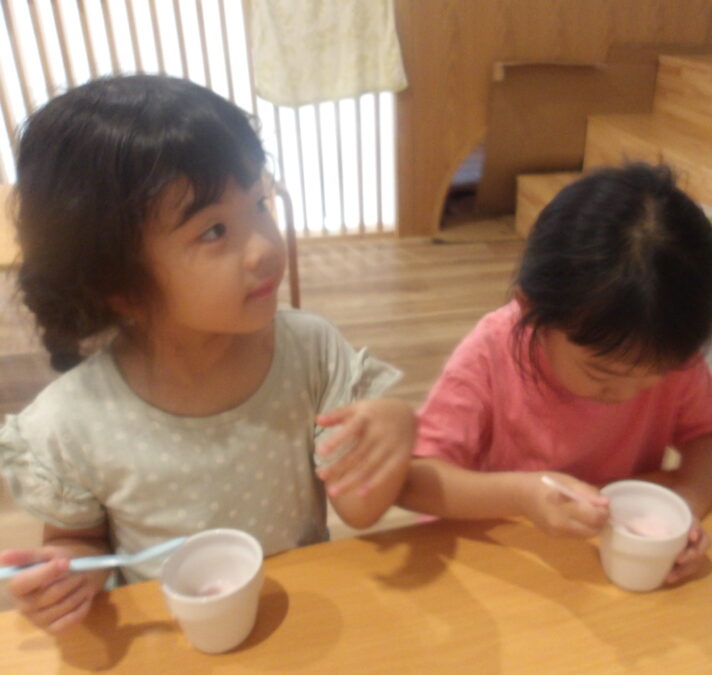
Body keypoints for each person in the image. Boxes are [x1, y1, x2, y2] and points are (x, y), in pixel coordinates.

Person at [0, 75, 416, 633]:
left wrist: (393, 427)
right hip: (175, 638)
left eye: (260, 203)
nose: (265, 247)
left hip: (302, 616)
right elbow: (81, 540)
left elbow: (359, 509)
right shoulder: (73, 420)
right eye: (215, 230)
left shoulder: (310, 351)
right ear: (118, 285)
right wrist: (68, 573)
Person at [399, 164, 712, 585]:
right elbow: (415, 481)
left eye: (654, 377)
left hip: (602, 568)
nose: (626, 393)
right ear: (532, 310)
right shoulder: (491, 353)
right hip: (504, 562)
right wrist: (522, 496)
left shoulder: (663, 347)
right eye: (602, 373)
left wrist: (687, 502)